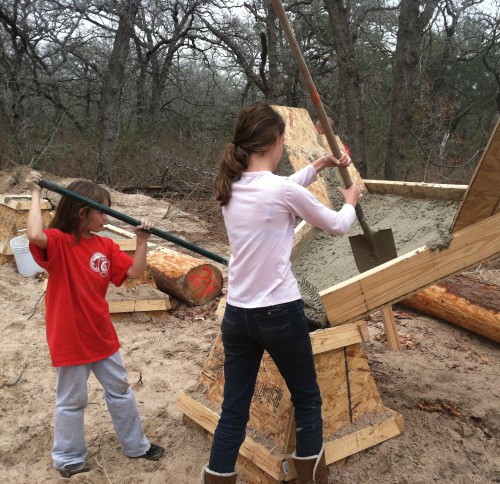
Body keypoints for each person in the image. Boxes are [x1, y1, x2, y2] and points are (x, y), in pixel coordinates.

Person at [203, 102, 362, 484]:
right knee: (307, 397)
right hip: (279, 313)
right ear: (274, 142)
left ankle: (219, 475)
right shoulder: (280, 190)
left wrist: (319, 165)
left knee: (234, 409)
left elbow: (284, 189)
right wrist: (351, 201)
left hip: (237, 315)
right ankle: (310, 477)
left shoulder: (230, 186)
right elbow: (337, 225)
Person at [25, 171, 166, 478]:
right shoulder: (60, 242)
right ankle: (68, 457)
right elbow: (35, 235)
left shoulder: (106, 245)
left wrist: (142, 241)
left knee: (120, 390)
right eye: (102, 211)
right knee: (72, 400)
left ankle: (136, 446)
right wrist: (35, 192)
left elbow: (134, 273)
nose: (106, 217)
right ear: (82, 212)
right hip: (69, 336)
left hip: (101, 334)